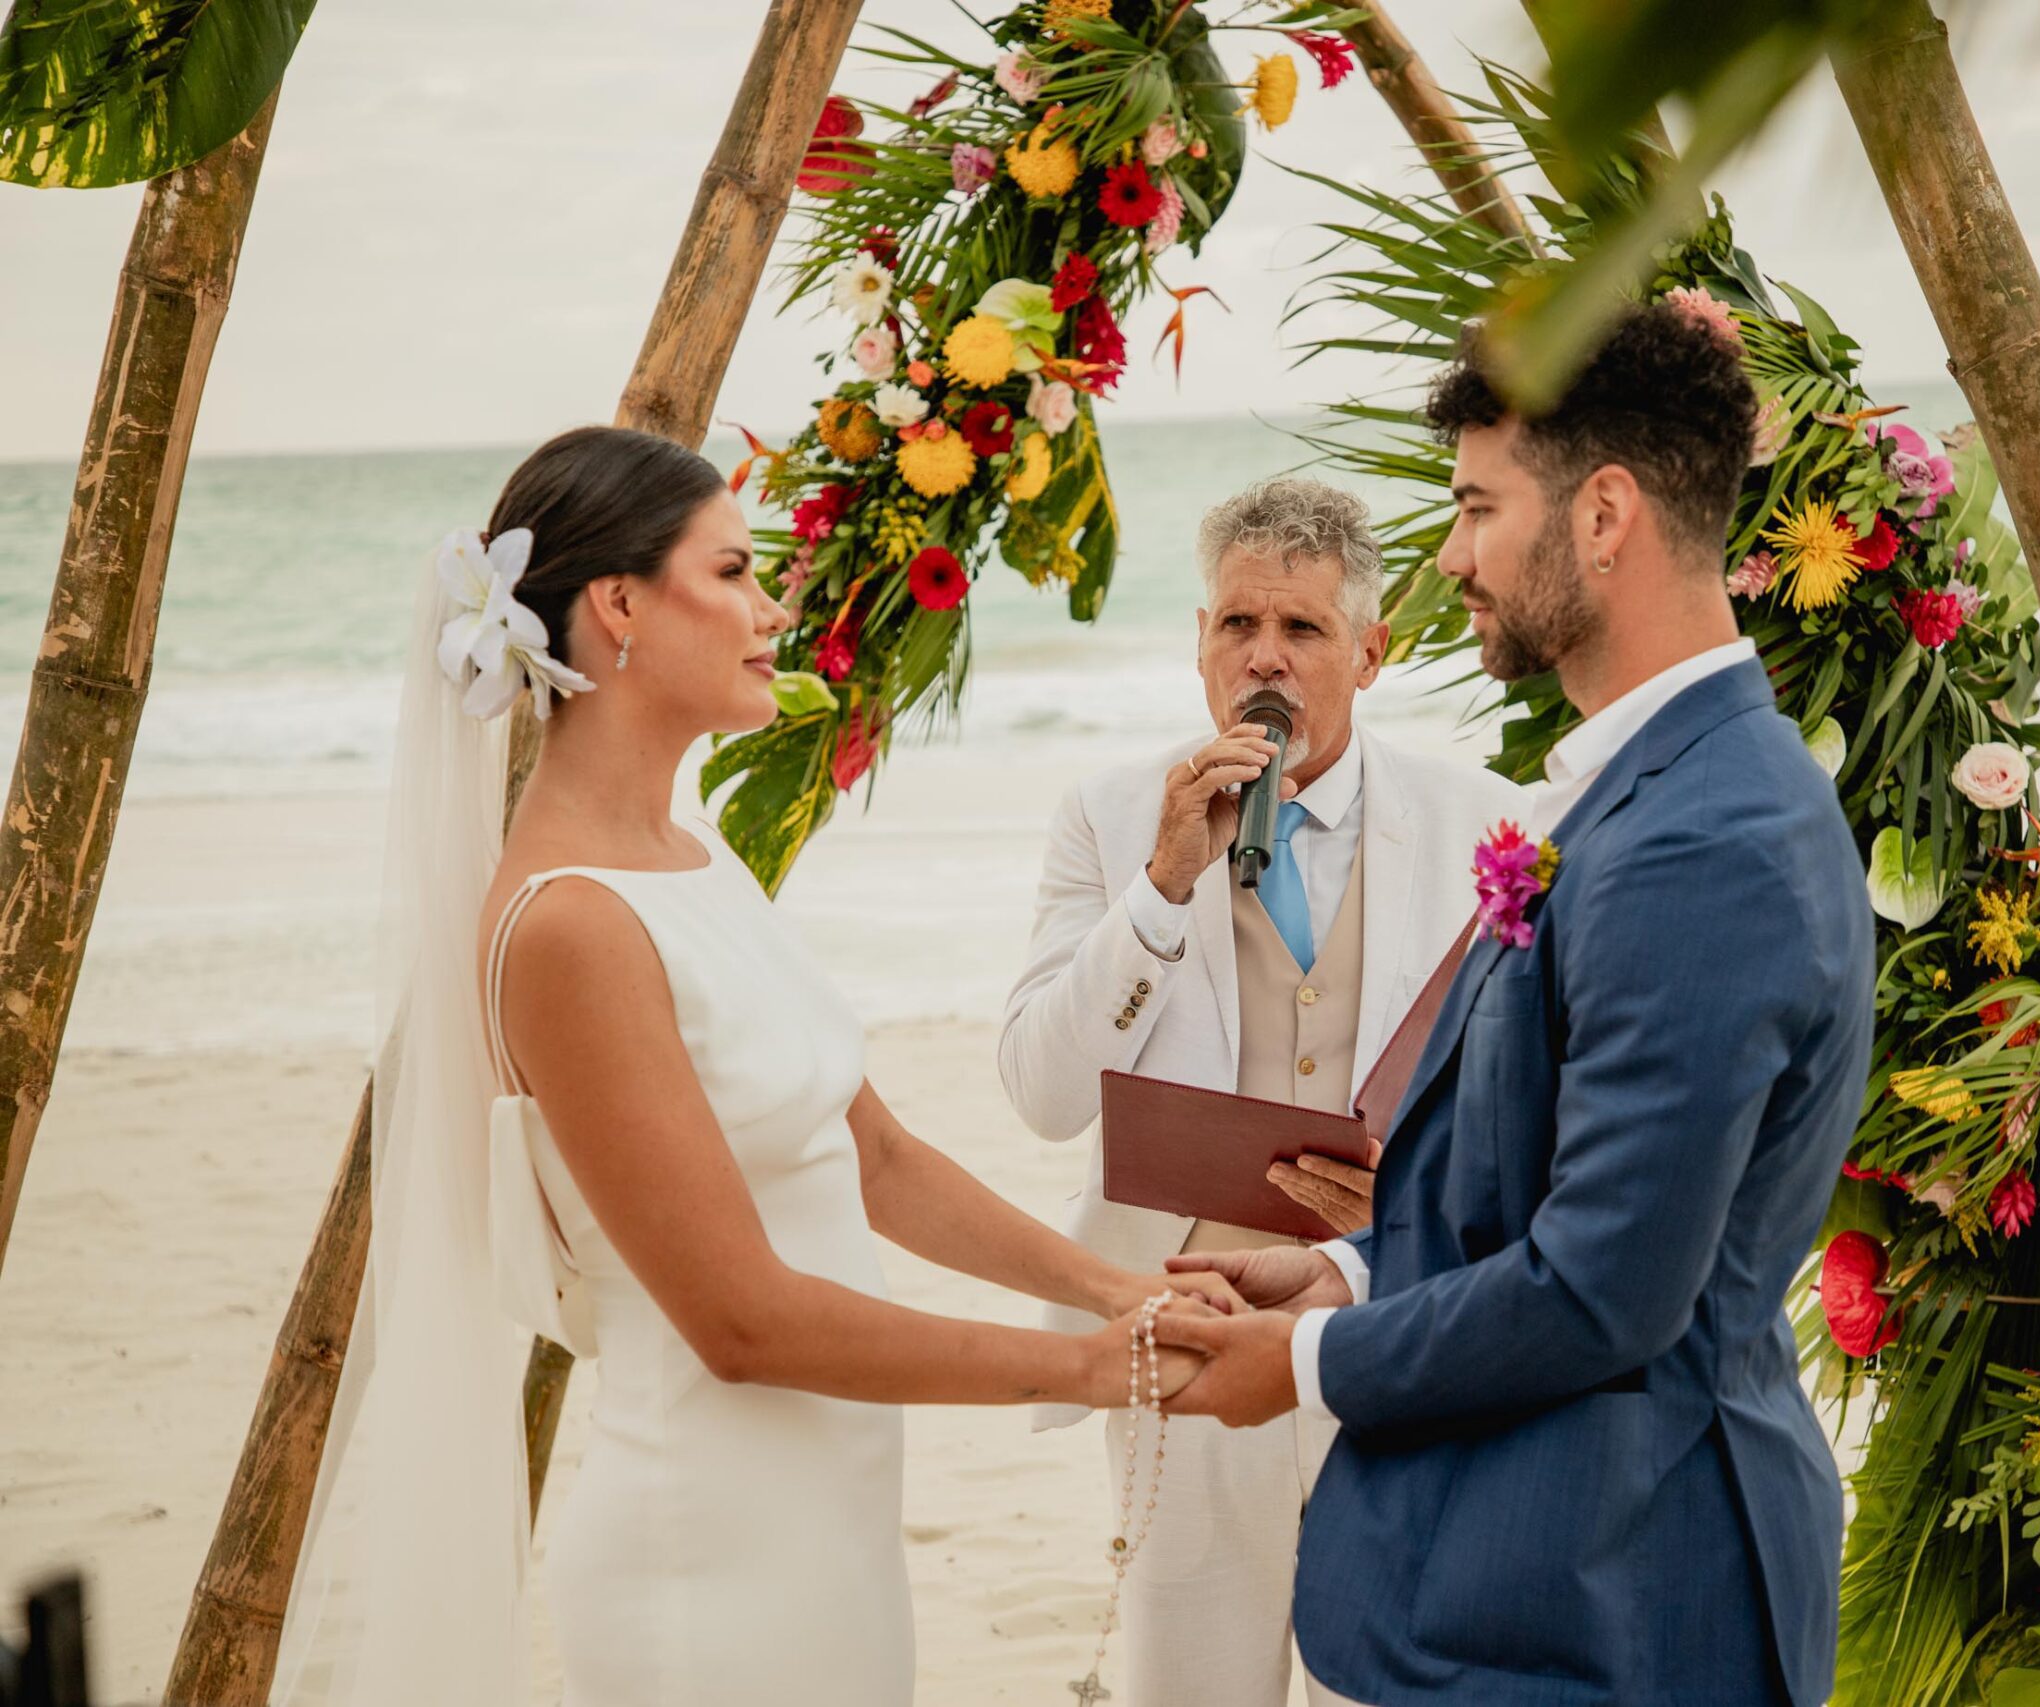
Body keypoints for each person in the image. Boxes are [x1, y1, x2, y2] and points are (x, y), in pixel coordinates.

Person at [272, 426, 1234, 1707]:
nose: (774, 603)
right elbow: (738, 1320)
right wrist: (1090, 1370)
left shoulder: (693, 854)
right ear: (618, 606)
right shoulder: (570, 926)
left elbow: (876, 1157)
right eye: (731, 572)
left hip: (828, 1522)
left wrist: (1116, 1291)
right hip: (709, 1560)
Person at [1157, 306, 1876, 1707]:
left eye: (1480, 506)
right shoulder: (1640, 784)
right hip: (1538, 1570)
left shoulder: (1703, 833)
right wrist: (1348, 1272)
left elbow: (1608, 1282)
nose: (1450, 553)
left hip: (1622, 1588)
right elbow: (1547, 1181)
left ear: (1604, 515)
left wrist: (1298, 1357)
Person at [998, 476, 1522, 1707]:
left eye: (1301, 630)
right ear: (1198, 645)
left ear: (1373, 653)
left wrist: (1420, 1183)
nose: (1264, 660)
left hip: (1390, 1326)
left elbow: (1527, 1102)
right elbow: (1039, 1091)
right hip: (1178, 1329)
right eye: (1237, 626)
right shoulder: (1110, 816)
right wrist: (1162, 888)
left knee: (1389, 1681)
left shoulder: (1486, 824)